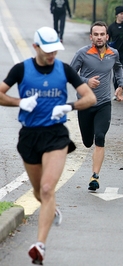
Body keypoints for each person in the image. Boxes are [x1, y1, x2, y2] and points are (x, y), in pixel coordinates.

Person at [0, 27, 96, 265]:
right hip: (30, 136)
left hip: (56, 135)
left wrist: (69, 107)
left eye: (55, 49)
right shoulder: (21, 69)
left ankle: (39, 246)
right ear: (36, 48)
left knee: (46, 189)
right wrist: (21, 102)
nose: (52, 54)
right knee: (37, 192)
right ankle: (50, 208)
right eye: (47, 49)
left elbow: (90, 98)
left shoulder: (64, 70)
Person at [70, 21, 123, 192]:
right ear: (91, 37)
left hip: (104, 103)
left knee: (100, 137)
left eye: (102, 34)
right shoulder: (83, 53)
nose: (99, 37)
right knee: (87, 142)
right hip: (85, 104)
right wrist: (87, 81)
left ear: (107, 36)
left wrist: (120, 85)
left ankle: (95, 177)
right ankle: (89, 146)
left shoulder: (113, 53)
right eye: (96, 34)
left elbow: (118, 68)